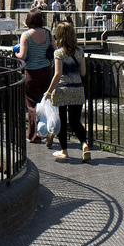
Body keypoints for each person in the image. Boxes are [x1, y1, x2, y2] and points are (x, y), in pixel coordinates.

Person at [43, 22, 89, 161]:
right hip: (77, 89)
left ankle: (64, 151)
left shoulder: (59, 53)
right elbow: (83, 72)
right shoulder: (80, 51)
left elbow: (57, 75)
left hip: (62, 90)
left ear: (59, 35)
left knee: (61, 121)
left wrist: (49, 91)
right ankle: (85, 145)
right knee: (75, 121)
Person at [14, 8, 53, 144]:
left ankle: (34, 135)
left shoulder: (26, 35)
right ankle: (49, 130)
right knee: (46, 101)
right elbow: (53, 49)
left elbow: (22, 56)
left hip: (32, 72)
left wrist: (15, 53)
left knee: (32, 104)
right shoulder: (48, 33)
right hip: (47, 71)